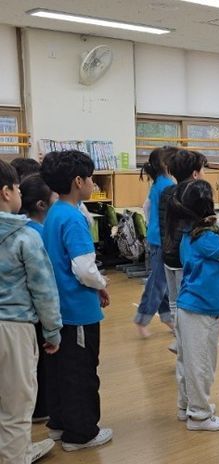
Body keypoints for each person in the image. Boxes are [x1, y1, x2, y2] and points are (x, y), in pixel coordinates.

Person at [41, 150, 112, 451]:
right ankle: (80, 434)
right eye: (91, 178)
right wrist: (101, 283)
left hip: (59, 307)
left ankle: (60, 423)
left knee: (61, 370)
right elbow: (84, 269)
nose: (93, 183)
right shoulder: (73, 218)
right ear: (78, 181)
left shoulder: (55, 212)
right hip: (77, 309)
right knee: (81, 372)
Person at [0, 160, 61, 464]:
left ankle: (19, 451)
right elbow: (44, 290)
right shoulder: (25, 236)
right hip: (14, 327)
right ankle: (15, 456)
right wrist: (52, 331)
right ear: (6, 192)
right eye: (16, 188)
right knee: (16, 404)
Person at [170, 179, 219, 431]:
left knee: (187, 362)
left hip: (190, 306)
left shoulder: (189, 234)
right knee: (201, 364)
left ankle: (186, 406)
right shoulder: (205, 238)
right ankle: (199, 415)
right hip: (201, 309)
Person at [18, 173, 58, 424]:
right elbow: (44, 282)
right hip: (34, 311)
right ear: (42, 204)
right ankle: (40, 410)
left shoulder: (26, 229)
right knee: (41, 363)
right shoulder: (36, 234)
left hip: (27, 311)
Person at [160, 149, 207, 354]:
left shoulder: (166, 192)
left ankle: (178, 339)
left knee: (174, 300)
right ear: (195, 174)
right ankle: (183, 341)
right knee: (186, 301)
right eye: (203, 169)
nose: (205, 173)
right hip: (184, 257)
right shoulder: (194, 195)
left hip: (168, 253)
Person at [134, 147, 175, 337]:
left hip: (156, 237)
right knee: (158, 281)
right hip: (161, 240)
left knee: (163, 280)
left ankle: (167, 317)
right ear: (166, 165)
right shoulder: (166, 185)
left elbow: (147, 207)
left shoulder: (159, 183)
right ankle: (142, 318)